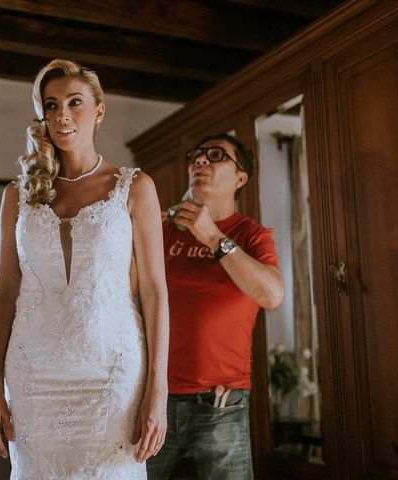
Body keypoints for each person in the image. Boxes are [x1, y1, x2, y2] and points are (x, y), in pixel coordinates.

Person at [0, 59, 170, 479]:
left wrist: (159, 388)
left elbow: (155, 292)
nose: (62, 115)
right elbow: (4, 293)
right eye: (51, 105)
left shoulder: (134, 187)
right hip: (33, 379)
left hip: (111, 376)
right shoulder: (18, 195)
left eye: (74, 102)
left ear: (99, 110)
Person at [147, 133, 284, 480]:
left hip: (221, 403)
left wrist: (211, 237)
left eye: (215, 155)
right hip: (154, 397)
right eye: (195, 155)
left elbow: (271, 295)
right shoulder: (163, 232)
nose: (200, 161)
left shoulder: (252, 235)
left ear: (241, 178)